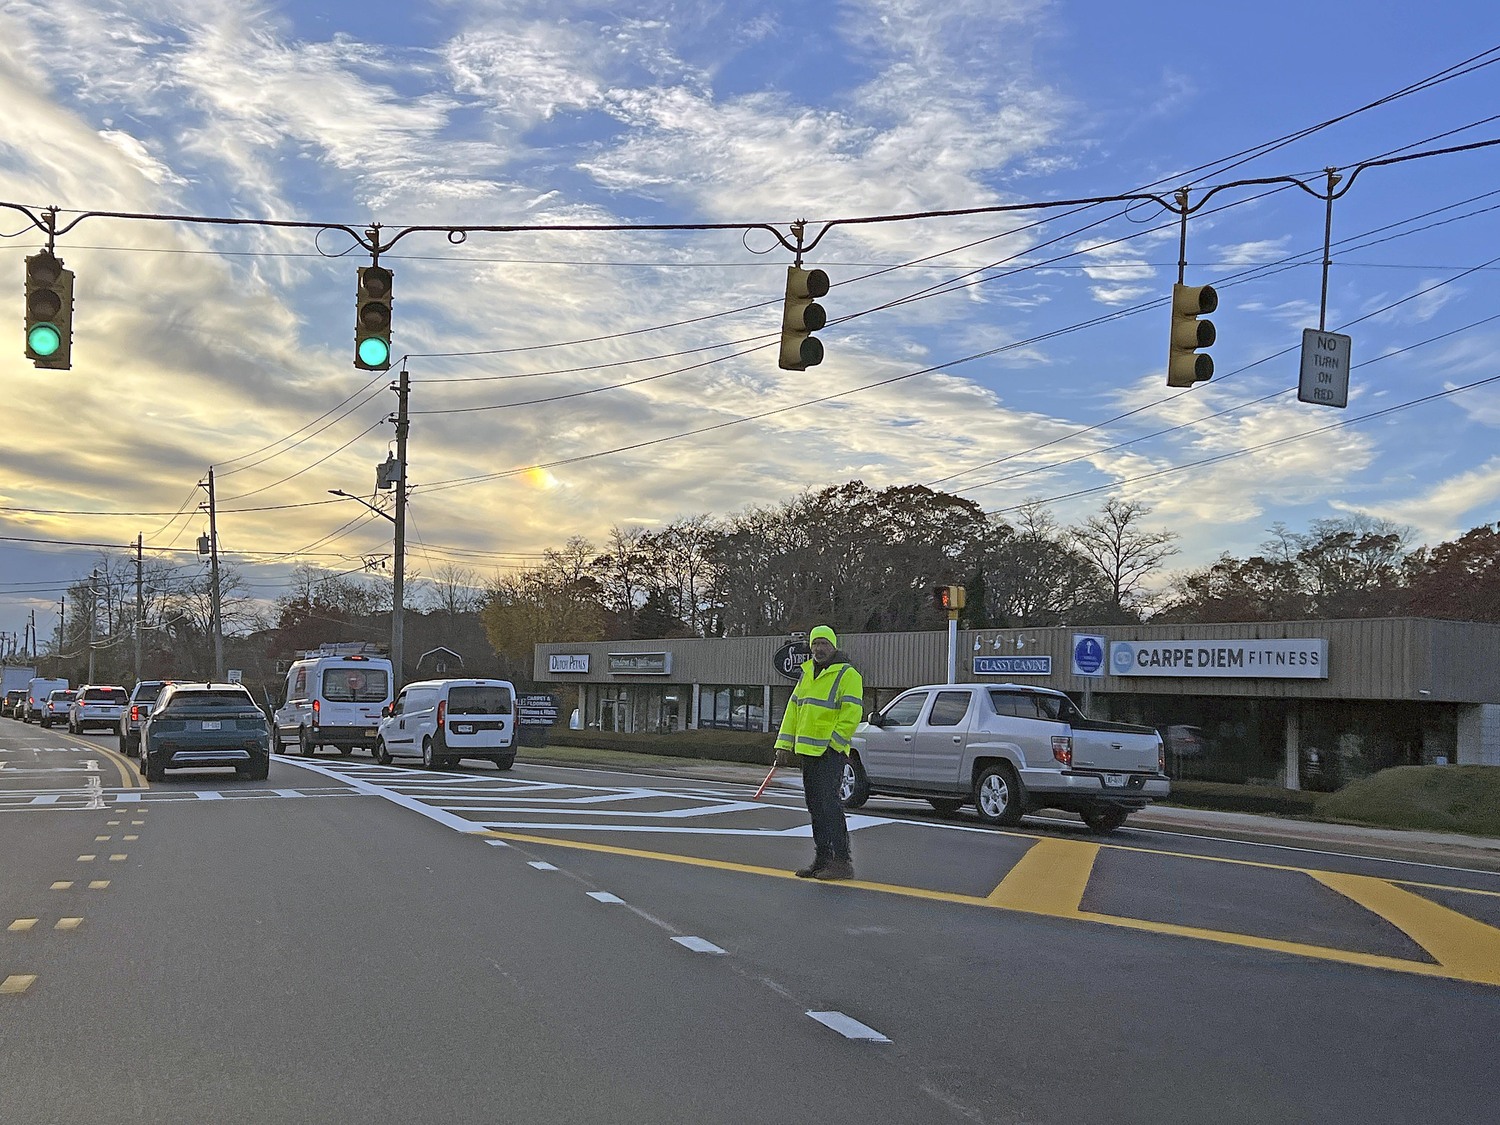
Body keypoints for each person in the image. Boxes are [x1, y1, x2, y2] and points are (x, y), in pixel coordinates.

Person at [773, 625, 864, 881]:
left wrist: (834, 743)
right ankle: (822, 858)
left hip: (830, 754)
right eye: (815, 644)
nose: (818, 649)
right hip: (807, 753)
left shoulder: (848, 674)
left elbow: (852, 713)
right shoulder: (807, 674)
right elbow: (793, 711)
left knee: (830, 806)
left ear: (833, 645)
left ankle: (841, 861)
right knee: (815, 807)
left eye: (823, 643)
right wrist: (783, 744)